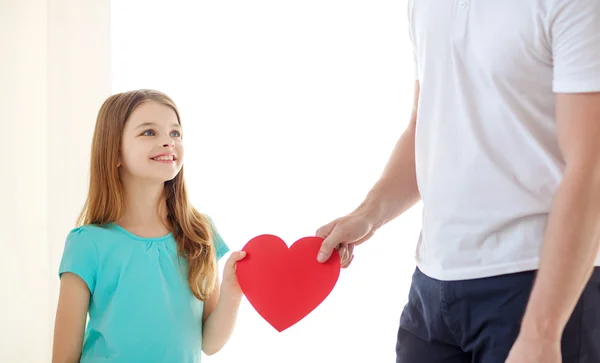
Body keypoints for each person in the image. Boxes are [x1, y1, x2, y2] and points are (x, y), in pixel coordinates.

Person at [316, 1, 600, 362]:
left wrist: (541, 333)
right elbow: (425, 126)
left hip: (533, 282)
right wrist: (369, 214)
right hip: (433, 287)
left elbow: (590, 168)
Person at [52, 90, 246, 363]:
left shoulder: (199, 232)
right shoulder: (87, 243)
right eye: (149, 133)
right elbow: (64, 357)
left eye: (175, 133)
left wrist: (232, 292)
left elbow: (210, 343)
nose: (168, 142)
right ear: (114, 151)